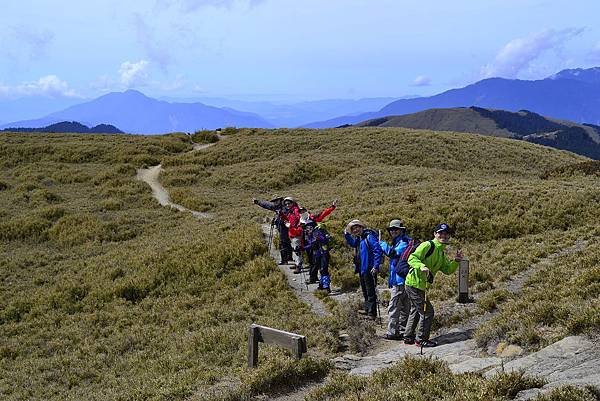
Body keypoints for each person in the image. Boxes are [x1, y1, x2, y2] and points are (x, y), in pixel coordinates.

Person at [404, 223, 463, 347]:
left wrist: (456, 261)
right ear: (435, 234)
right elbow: (412, 258)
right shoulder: (427, 245)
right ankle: (421, 340)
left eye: (446, 233)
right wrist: (422, 266)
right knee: (427, 312)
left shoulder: (441, 253)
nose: (444, 235)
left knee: (416, 309)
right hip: (414, 284)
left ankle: (408, 336)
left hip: (421, 285)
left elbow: (447, 270)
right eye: (440, 233)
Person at [379, 219, 412, 340]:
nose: (393, 231)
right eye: (391, 229)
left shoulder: (403, 242)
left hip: (400, 280)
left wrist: (383, 245)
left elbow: (393, 254)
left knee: (394, 306)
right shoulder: (399, 241)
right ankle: (405, 330)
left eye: (395, 229)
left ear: (401, 230)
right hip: (401, 279)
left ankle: (392, 332)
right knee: (405, 307)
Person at [344, 219, 383, 319]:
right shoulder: (359, 238)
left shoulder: (368, 236)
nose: (355, 230)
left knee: (370, 290)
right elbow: (352, 244)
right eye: (353, 229)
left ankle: (372, 313)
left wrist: (376, 266)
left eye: (356, 227)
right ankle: (367, 309)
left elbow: (377, 250)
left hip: (369, 268)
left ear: (361, 227)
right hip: (362, 268)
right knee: (365, 289)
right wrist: (347, 235)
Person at [300, 200, 337, 284]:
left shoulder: (312, 218)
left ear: (306, 211)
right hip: (307, 242)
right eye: (300, 212)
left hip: (317, 242)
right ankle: (315, 278)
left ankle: (318, 280)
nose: (302, 213)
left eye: (303, 211)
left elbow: (323, 214)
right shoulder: (300, 222)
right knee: (312, 261)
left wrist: (332, 207)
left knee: (316, 261)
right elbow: (299, 233)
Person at [252, 196, 293, 264]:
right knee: (286, 242)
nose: (275, 202)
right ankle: (289, 258)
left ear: (280, 200)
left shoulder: (284, 206)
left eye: (276, 200)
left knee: (282, 243)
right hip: (284, 227)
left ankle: (284, 260)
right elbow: (267, 205)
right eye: (274, 201)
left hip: (285, 227)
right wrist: (258, 202)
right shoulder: (278, 206)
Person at [302, 219, 331, 292]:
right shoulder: (311, 234)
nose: (307, 228)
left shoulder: (316, 232)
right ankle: (322, 285)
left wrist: (318, 238)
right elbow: (312, 244)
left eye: (308, 226)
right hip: (319, 254)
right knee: (322, 269)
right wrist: (303, 248)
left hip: (323, 253)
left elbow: (322, 240)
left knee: (323, 270)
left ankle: (326, 287)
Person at [280, 197, 303, 274]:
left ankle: (299, 266)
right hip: (292, 232)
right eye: (286, 204)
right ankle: (297, 264)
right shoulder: (290, 211)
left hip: (296, 233)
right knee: (295, 249)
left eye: (289, 203)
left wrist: (295, 226)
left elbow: (299, 219)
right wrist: (282, 216)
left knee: (297, 250)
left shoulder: (296, 210)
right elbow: (288, 219)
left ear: (293, 203)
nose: (287, 205)